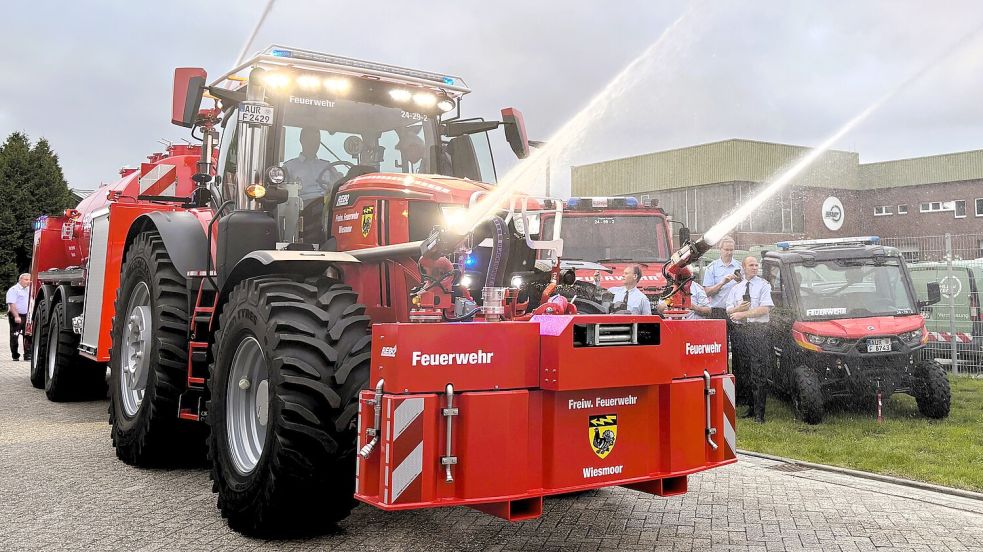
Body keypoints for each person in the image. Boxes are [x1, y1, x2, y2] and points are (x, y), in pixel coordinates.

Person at [725, 256, 774, 423]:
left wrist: (743, 314)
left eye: (756, 265)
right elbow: (729, 310)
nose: (754, 268)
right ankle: (751, 408)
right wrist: (737, 310)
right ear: (743, 267)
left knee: (758, 371)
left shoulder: (763, 285)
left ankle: (760, 413)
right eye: (751, 265)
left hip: (758, 331)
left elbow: (765, 309)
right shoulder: (736, 289)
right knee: (745, 370)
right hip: (741, 331)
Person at [283, 127, 342, 243]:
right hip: (302, 208)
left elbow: (339, 184)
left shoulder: (327, 166)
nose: (314, 144)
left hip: (327, 205)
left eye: (317, 141)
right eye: (310, 140)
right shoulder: (289, 167)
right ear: (301, 141)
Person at [6, 273, 31, 362]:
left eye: (29, 280)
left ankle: (28, 354)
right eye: (26, 280)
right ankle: (15, 355)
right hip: (16, 315)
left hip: (27, 316)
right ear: (20, 280)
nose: (28, 282)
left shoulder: (29, 290)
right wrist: (16, 316)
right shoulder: (14, 290)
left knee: (28, 335)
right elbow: (11, 304)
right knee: (15, 336)